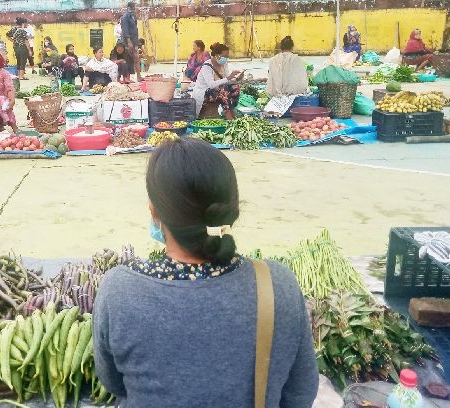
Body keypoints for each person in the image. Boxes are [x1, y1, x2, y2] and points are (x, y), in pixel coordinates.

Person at [93, 137, 319, 408]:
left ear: (154, 212)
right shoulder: (277, 285)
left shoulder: (118, 291)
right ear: (230, 209)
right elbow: (301, 392)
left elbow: (112, 383)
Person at [192, 43, 242, 119]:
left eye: (227, 56)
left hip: (218, 89)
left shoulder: (224, 64)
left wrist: (236, 79)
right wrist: (228, 78)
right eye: (224, 56)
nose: (226, 58)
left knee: (235, 86)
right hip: (204, 92)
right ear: (216, 55)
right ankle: (227, 113)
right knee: (223, 90)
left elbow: (226, 79)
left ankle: (231, 109)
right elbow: (211, 85)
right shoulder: (207, 66)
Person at [120, 2, 142, 82]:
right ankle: (126, 78)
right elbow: (125, 31)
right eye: (133, 6)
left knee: (136, 59)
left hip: (134, 41)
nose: (135, 8)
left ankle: (139, 76)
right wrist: (129, 42)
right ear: (129, 7)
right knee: (128, 60)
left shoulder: (133, 16)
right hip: (128, 42)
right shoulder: (125, 17)